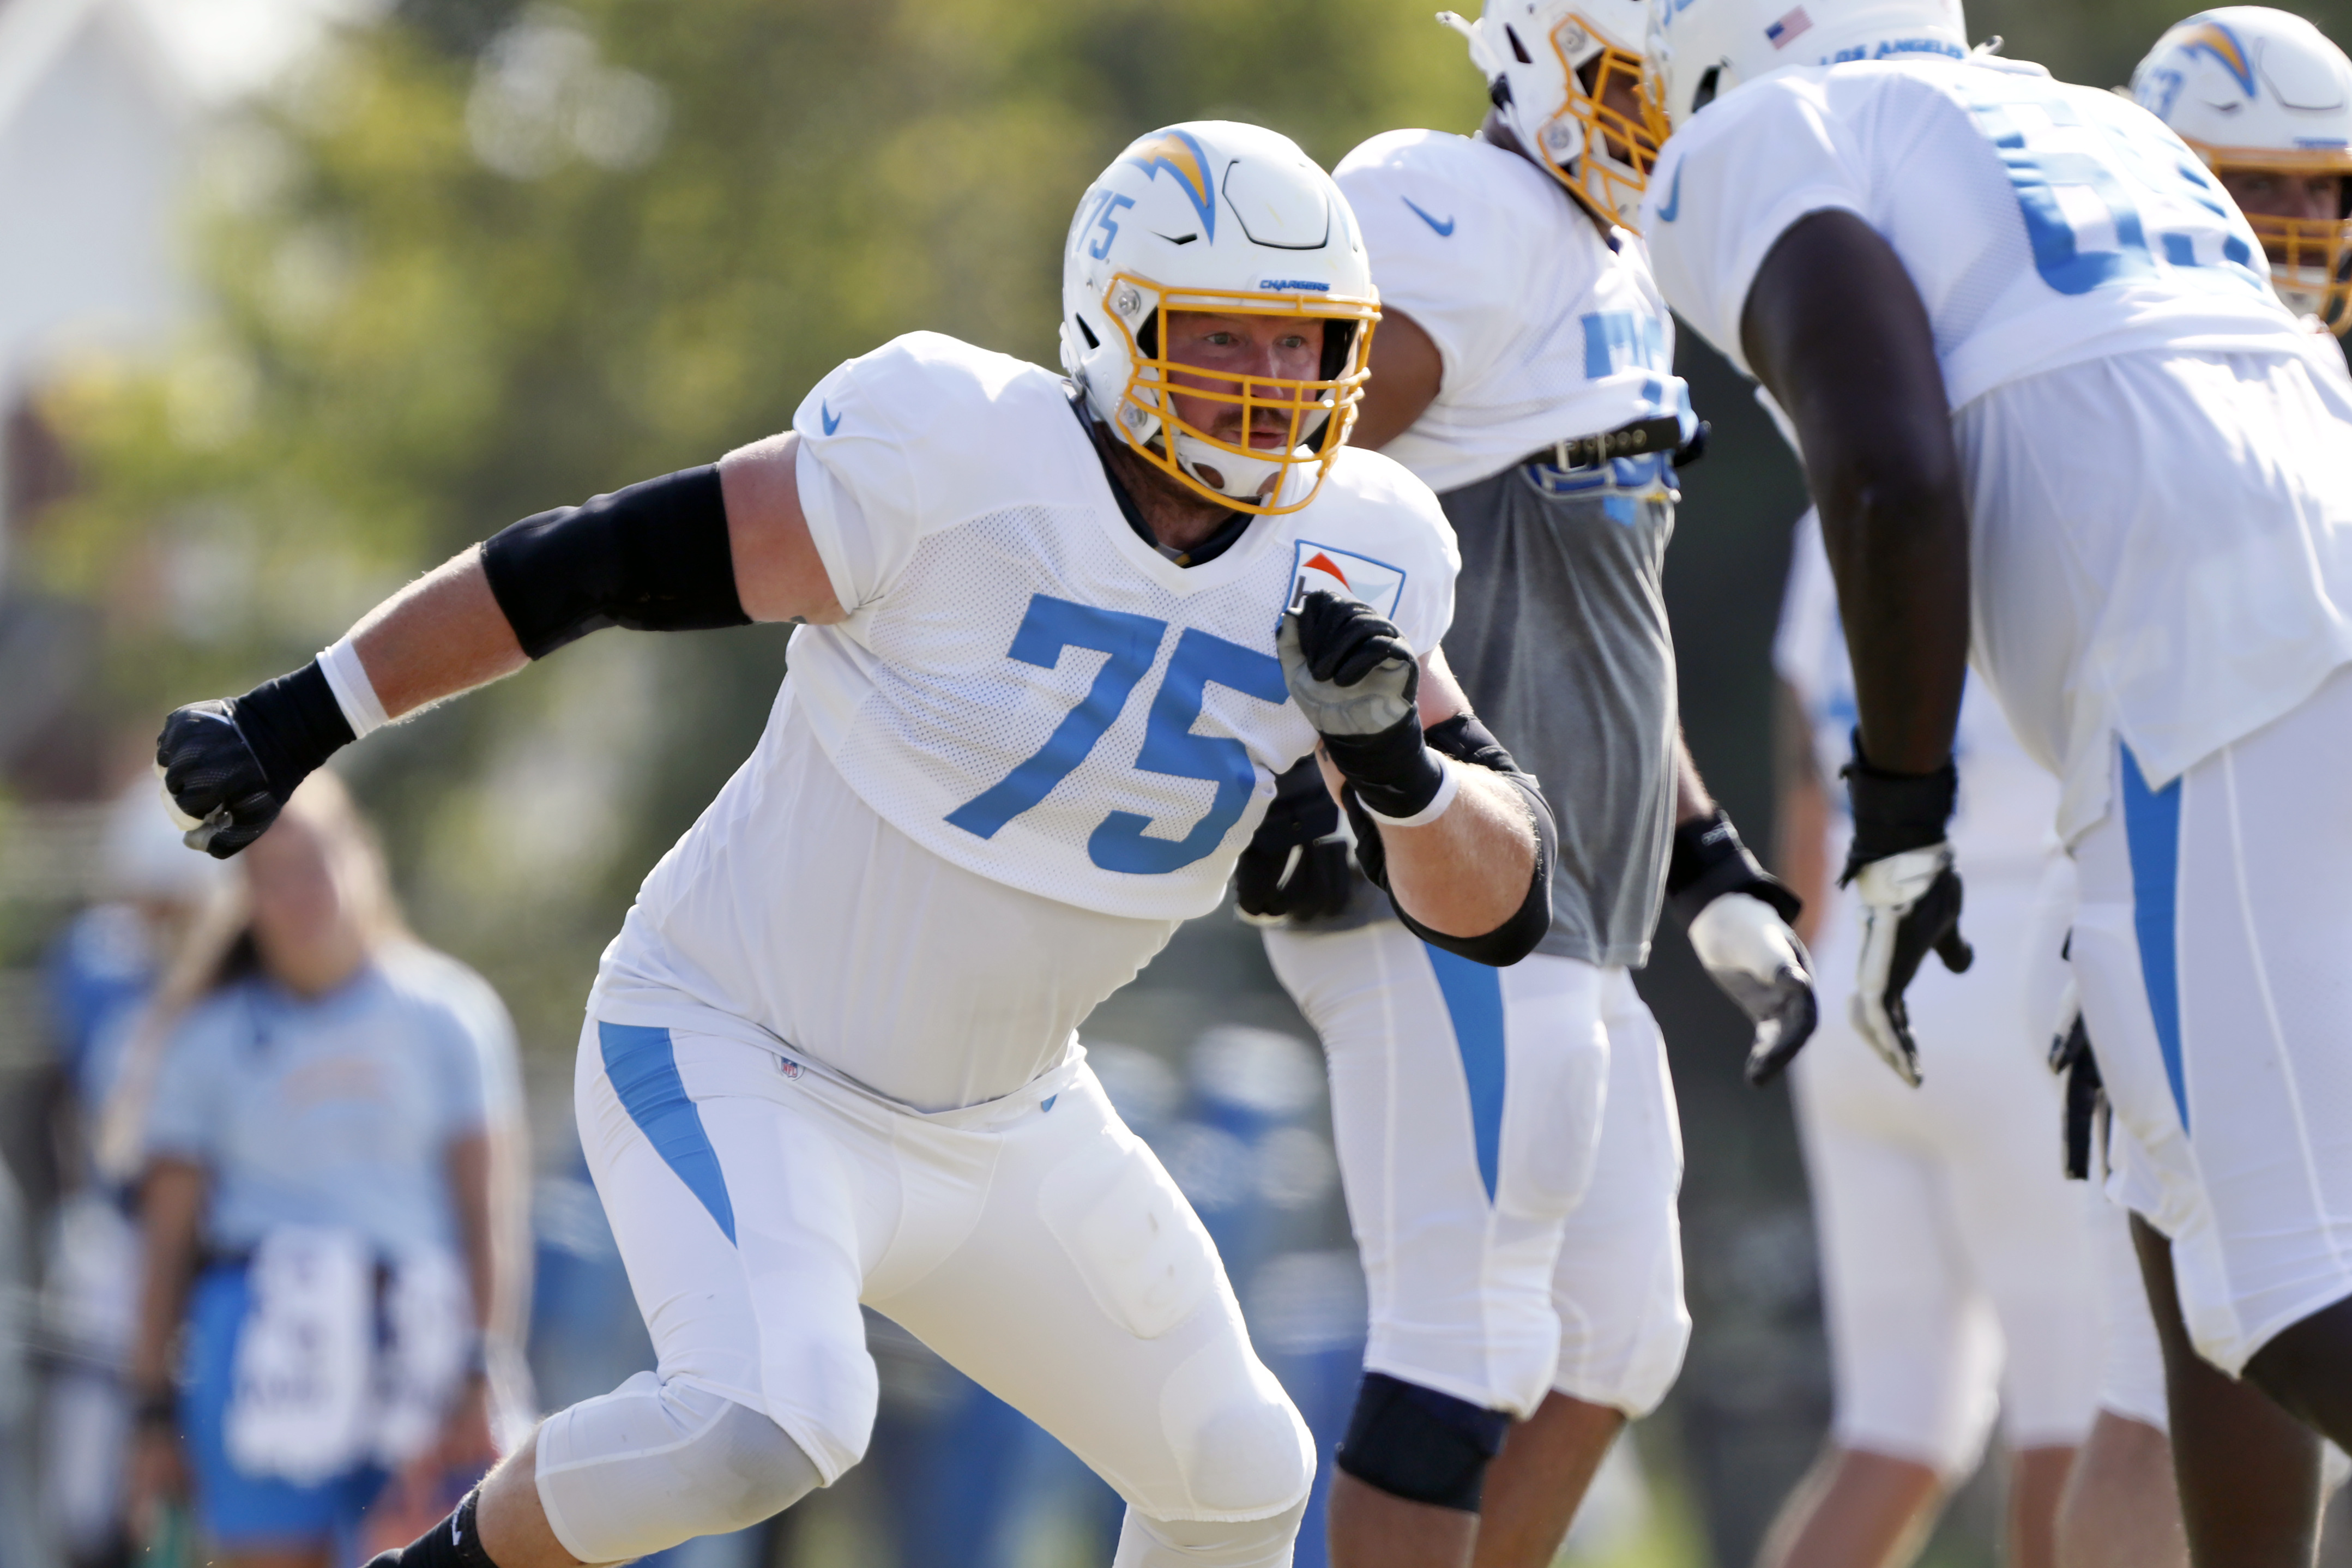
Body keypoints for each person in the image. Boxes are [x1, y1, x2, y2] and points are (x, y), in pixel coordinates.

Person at [154, 121, 1553, 1568]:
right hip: (733, 1042)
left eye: (1302, 344)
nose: (1270, 387)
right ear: (1116, 321)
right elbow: (596, 564)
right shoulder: (954, 459)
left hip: (1008, 1115)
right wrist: (303, 713)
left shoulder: (1358, 552)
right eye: (1225, 339)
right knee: (772, 1419)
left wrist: (1397, 778)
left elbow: (1503, 900)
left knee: (1240, 1471)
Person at [1639, 7, 2352, 1568]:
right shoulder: (2099, 128)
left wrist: (1897, 828)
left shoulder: (1767, 137)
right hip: (2284, 602)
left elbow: (1892, 478)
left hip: (2194, 683)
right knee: (2190, 1271)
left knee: (2275, 1286)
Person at [1234, 11, 1816, 1564]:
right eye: (1647, 88)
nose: (1676, 128)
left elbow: (1610, 625)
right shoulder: (1454, 209)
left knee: (1618, 1335)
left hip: (1581, 909)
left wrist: (1706, 857)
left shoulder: (1621, 269)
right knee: (1463, 1339)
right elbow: (1262, 498)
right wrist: (1294, 773)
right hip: (1448, 887)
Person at [2048, 14, 2352, 1566]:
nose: (2296, 231)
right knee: (2173, 1364)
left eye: (2322, 193)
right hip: (2177, 907)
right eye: (2258, 191)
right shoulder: (2131, 389)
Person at [1762, 509, 2095, 1568]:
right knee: (2077, 1416)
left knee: (1897, 1428)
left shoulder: (1832, 512)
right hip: (2015, 943)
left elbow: (1805, 789)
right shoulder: (2057, 455)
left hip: (1852, 960)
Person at [119, 773, 524, 1568]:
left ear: (361, 857)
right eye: (272, 878)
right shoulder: (205, 1039)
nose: (301, 895)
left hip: (417, 1342)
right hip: (257, 1351)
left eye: (316, 864)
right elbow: (163, 1247)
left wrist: (485, 1361)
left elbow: (489, 1218)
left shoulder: (450, 1014)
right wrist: (150, 1413)